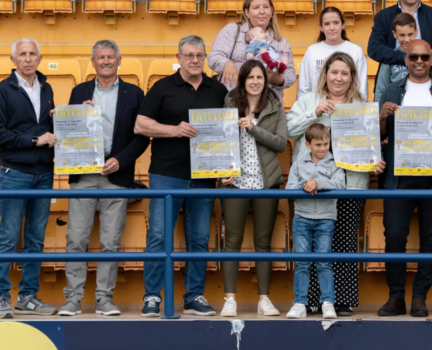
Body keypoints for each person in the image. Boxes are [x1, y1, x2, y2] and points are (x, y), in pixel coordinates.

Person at [134, 35, 228, 317]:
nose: (195, 60)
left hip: (205, 175)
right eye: (189, 55)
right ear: (179, 58)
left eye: (199, 55)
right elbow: (140, 125)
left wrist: (226, 167)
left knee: (199, 238)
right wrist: (174, 130)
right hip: (167, 174)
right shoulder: (162, 87)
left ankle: (194, 296)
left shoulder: (218, 89)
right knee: (158, 237)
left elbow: (228, 131)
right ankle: (152, 296)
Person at [287, 52, 387, 316]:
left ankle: (341, 299)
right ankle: (310, 300)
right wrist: (315, 113)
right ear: (325, 74)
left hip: (350, 186)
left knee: (344, 243)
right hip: (310, 187)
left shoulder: (361, 106)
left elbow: (370, 146)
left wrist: (374, 162)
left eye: (345, 73)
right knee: (311, 247)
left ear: (352, 77)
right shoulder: (309, 101)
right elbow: (289, 130)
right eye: (334, 72)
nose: (339, 78)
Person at [56, 40, 150, 317]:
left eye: (111, 57)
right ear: (93, 62)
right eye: (101, 57)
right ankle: (73, 298)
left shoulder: (135, 93)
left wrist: (121, 160)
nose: (106, 61)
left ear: (119, 61)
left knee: (110, 241)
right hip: (83, 174)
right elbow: (68, 131)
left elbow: (142, 137)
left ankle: (104, 299)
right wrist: (76, 115)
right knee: (76, 238)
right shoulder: (79, 91)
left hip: (116, 174)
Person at [377, 40, 432, 318]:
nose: (419, 61)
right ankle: (396, 297)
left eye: (424, 56)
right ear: (406, 60)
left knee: (431, 239)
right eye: (414, 57)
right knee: (394, 237)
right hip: (397, 179)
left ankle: (420, 297)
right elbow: (378, 136)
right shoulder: (391, 90)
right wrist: (382, 118)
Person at [0, 38, 57, 319]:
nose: (28, 58)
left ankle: (28, 296)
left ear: (40, 58)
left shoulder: (46, 87)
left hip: (44, 173)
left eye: (32, 54)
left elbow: (48, 129)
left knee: (36, 237)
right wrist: (34, 140)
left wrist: (66, 117)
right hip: (14, 172)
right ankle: (0, 296)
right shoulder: (2, 90)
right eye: (22, 54)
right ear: (13, 59)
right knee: (8, 235)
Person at [217, 60, 288, 318]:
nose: (255, 82)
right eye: (250, 77)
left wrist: (254, 128)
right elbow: (219, 141)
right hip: (235, 182)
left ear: (265, 81)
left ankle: (264, 299)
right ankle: (229, 300)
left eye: (259, 77)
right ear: (242, 80)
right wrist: (223, 169)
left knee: (263, 242)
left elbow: (281, 144)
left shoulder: (275, 106)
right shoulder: (229, 104)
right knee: (232, 241)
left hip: (265, 183)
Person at [285, 124, 346, 320]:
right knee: (302, 263)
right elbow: (289, 188)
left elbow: (340, 184)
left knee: (324, 262)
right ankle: (300, 303)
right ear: (308, 145)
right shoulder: (298, 164)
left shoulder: (335, 163)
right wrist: (305, 185)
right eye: (318, 144)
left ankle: (328, 302)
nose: (322, 148)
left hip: (326, 218)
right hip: (301, 217)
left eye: (326, 144)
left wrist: (318, 183)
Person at [207, 0, 296, 100]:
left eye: (266, 7)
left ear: (272, 11)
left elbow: (291, 74)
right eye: (256, 7)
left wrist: (278, 79)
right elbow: (213, 57)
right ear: (247, 12)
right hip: (236, 101)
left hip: (269, 103)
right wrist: (227, 64)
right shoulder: (232, 31)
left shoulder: (282, 42)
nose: (262, 11)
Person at [297, 6, 368, 100]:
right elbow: (303, 89)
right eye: (327, 24)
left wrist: (359, 106)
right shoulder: (312, 51)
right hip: (317, 107)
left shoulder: (356, 51)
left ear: (343, 25)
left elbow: (361, 88)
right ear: (321, 27)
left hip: (348, 107)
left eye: (336, 23)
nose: (332, 28)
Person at [375, 13, 432, 103]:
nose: (407, 39)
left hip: (425, 102)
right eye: (402, 35)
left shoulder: (427, 53)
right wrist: (380, 108)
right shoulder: (389, 56)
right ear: (394, 34)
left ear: (416, 32)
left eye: (410, 34)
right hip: (396, 104)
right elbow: (381, 89)